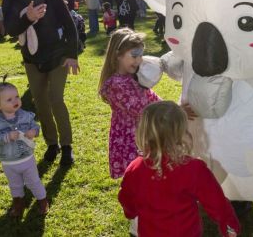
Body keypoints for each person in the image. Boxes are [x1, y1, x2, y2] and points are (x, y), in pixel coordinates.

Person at [1, 0, 79, 166]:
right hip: (32, 59)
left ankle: (66, 147)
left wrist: (72, 54)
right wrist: (28, 17)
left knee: (56, 100)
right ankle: (52, 144)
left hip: (57, 55)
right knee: (41, 104)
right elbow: (9, 29)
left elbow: (68, 22)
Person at [118, 101, 240, 237]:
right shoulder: (194, 168)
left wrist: (131, 212)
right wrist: (230, 226)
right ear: (181, 132)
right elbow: (217, 203)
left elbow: (127, 199)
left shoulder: (134, 169)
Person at [98, 28, 160, 179]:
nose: (139, 61)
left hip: (143, 135)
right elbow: (143, 109)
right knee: (138, 179)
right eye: (134, 56)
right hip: (130, 141)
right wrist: (171, 111)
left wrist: (173, 109)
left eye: (141, 55)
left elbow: (153, 98)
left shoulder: (134, 77)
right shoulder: (115, 84)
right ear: (118, 55)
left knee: (148, 178)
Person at [0, 81, 48, 217]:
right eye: (9, 99)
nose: (15, 101)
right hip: (9, 163)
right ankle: (18, 204)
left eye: (17, 96)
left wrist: (34, 131)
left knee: (34, 181)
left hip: (27, 159)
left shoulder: (26, 115)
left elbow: (36, 127)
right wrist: (6, 137)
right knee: (15, 185)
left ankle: (42, 201)